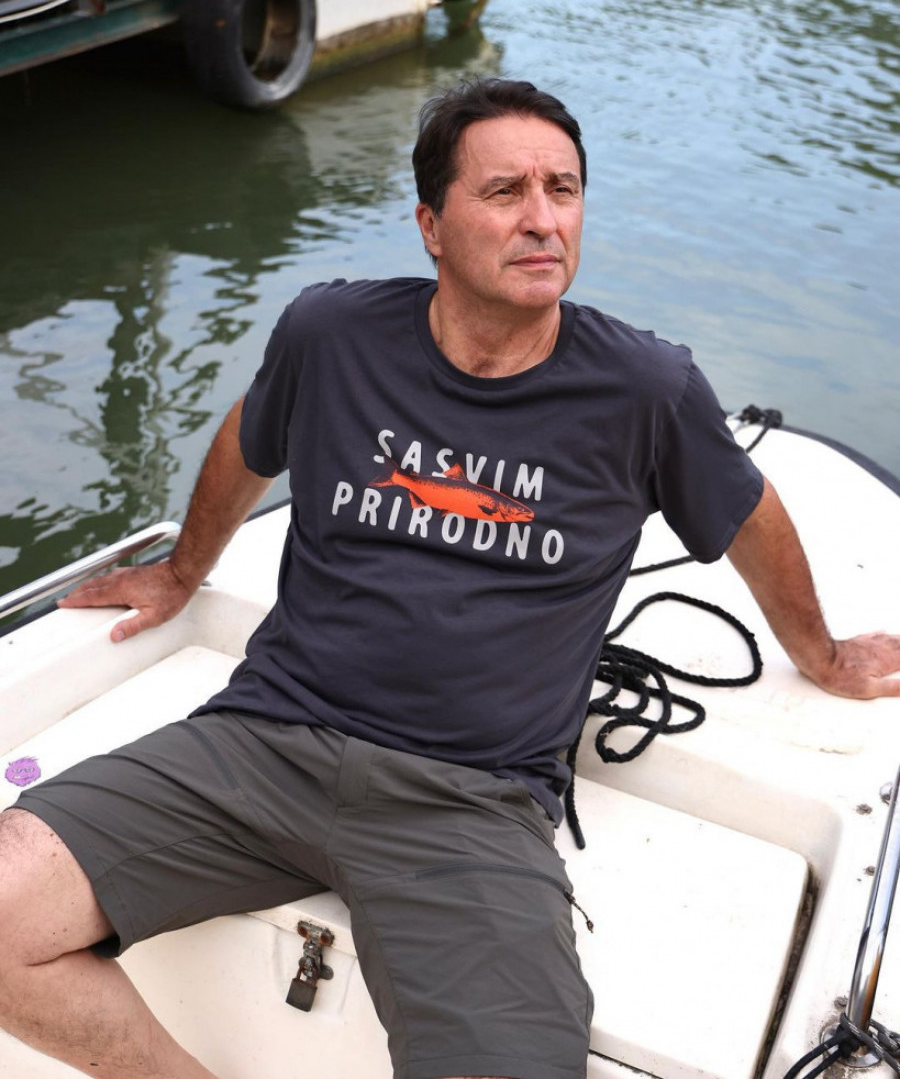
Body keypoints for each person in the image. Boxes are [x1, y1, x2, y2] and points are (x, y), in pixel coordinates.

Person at [1, 78, 898, 1079]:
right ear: (431, 225)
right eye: (505, 192)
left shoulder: (646, 390)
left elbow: (749, 510)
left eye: (563, 189)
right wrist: (180, 571)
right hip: (260, 742)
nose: (543, 219)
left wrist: (822, 653)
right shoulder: (332, 335)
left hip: (470, 800)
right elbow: (252, 435)